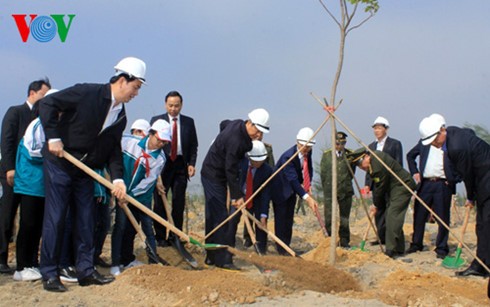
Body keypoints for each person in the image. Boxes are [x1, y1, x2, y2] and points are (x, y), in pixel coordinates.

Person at [38, 56, 146, 292]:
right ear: (121, 80)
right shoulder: (87, 93)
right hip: (61, 161)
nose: (136, 93)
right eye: (135, 87)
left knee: (87, 219)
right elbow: (47, 104)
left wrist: (118, 178)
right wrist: (53, 137)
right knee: (56, 218)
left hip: (85, 169)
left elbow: (113, 149)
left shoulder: (121, 115)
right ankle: (49, 273)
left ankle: (86, 271)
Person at [418, 113, 490, 277]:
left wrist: (470, 197)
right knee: (481, 226)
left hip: (486, 182)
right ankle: (481, 264)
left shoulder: (456, 147)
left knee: (486, 225)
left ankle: (483, 266)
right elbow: (470, 132)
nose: (434, 145)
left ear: (441, 131)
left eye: (435, 141)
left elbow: (467, 176)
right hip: (483, 181)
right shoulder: (453, 132)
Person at [201, 108, 270, 270]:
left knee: (214, 217)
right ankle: (223, 260)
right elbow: (230, 169)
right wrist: (237, 196)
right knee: (222, 217)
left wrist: (220, 142)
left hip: (219, 174)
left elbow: (223, 124)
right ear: (250, 123)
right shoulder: (236, 140)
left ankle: (211, 256)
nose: (259, 136)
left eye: (262, 133)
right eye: (258, 131)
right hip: (213, 175)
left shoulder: (237, 123)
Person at [0, 78, 50, 274]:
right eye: (42, 95)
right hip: (13, 173)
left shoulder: (44, 117)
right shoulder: (16, 112)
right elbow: (7, 141)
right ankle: (2, 257)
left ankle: (29, 260)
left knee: (30, 219)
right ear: (32, 93)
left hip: (33, 177)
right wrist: (9, 168)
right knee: (7, 215)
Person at [117, 119, 171, 271]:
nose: (161, 144)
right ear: (151, 134)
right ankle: (122, 259)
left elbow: (147, 182)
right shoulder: (131, 143)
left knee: (147, 227)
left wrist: (130, 196)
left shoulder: (160, 158)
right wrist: (123, 193)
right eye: (159, 140)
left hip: (142, 197)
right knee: (125, 227)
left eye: (164, 142)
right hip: (124, 194)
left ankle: (153, 259)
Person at [406, 115, 460, 259]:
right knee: (419, 214)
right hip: (425, 184)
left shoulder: (451, 144)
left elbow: (461, 164)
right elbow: (410, 156)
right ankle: (416, 243)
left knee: (443, 216)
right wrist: (415, 172)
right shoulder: (424, 142)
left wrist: (453, 179)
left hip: (443, 184)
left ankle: (441, 247)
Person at [150, 91, 198, 247]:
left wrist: (191, 163)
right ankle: (160, 236)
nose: (173, 109)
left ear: (181, 105)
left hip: (180, 165)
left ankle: (175, 235)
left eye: (176, 106)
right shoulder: (157, 121)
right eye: (170, 105)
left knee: (178, 201)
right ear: (165, 105)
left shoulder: (189, 122)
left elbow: (193, 146)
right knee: (159, 202)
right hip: (162, 166)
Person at [351, 148, 416, 258]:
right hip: (394, 188)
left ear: (367, 157)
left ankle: (391, 249)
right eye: (358, 166)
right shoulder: (373, 162)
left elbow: (379, 188)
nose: (362, 167)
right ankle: (399, 248)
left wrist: (375, 204)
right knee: (391, 216)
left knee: (392, 215)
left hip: (403, 186)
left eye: (361, 163)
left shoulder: (377, 164)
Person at [272, 127, 319, 255]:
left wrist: (308, 185)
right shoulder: (288, 157)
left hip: (292, 190)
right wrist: (306, 197)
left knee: (289, 219)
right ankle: (281, 249)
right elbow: (292, 180)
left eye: (309, 147)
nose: (307, 150)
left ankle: (287, 245)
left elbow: (308, 168)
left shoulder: (307, 152)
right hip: (280, 190)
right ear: (298, 142)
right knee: (281, 219)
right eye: (305, 146)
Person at [364, 116, 403, 245]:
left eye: (379, 128)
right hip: (377, 184)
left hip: (391, 184)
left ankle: (392, 239)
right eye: (375, 128)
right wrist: (367, 184)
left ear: (386, 129)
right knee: (379, 211)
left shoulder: (395, 144)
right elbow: (368, 167)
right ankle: (381, 237)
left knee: (391, 212)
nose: (377, 130)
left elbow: (398, 164)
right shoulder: (371, 146)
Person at [234, 140, 273, 254]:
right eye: (257, 161)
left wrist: (263, 215)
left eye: (262, 161)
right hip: (239, 197)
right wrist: (235, 197)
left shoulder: (267, 170)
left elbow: (266, 194)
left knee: (261, 224)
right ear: (250, 158)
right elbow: (233, 181)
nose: (260, 164)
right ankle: (229, 247)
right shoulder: (240, 164)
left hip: (257, 198)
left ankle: (261, 251)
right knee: (232, 220)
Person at [320, 131, 356, 248]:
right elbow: (323, 174)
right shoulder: (326, 155)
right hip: (330, 190)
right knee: (329, 215)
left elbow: (352, 172)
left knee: (344, 217)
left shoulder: (350, 155)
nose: (339, 146)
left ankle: (344, 240)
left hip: (345, 190)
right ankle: (330, 238)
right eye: (337, 143)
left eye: (342, 143)